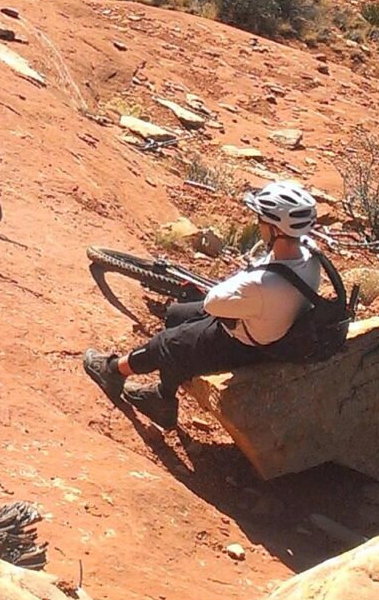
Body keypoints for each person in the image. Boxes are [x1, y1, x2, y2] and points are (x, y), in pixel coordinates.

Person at [84, 180, 333, 429]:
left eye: (262, 220)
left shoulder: (262, 284)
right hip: (270, 328)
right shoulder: (310, 256)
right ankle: (162, 396)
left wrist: (241, 281)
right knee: (177, 316)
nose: (259, 225)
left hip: (241, 345)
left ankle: (113, 371)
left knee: (167, 343)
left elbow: (213, 302)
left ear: (275, 229)